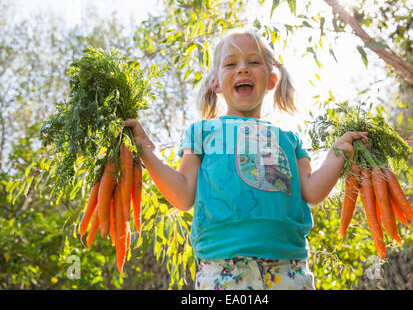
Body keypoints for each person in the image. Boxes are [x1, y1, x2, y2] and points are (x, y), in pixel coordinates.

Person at [124, 29, 368, 290]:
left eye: (253, 62)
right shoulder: (202, 132)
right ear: (216, 83)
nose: (243, 70)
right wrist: (146, 151)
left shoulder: (288, 138)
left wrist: (337, 153)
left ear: (272, 79)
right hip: (222, 268)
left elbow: (312, 190)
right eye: (231, 64)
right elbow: (183, 194)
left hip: (288, 267)